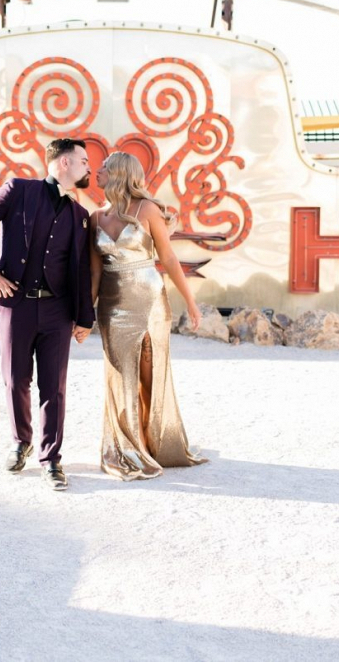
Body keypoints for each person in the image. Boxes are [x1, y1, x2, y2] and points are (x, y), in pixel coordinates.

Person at [0, 138, 94, 491]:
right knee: (15, 379)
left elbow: (81, 270)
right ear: (64, 163)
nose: (88, 167)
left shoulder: (80, 216)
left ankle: (51, 459)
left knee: (55, 387)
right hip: (15, 304)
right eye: (84, 160)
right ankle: (20, 441)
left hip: (58, 309)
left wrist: (85, 318)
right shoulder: (18, 190)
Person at [90, 151, 207, 481]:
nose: (96, 173)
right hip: (112, 305)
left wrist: (191, 303)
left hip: (150, 300)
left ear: (119, 174)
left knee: (148, 371)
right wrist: (84, 315)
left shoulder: (148, 209)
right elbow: (95, 274)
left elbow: (168, 258)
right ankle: (127, 444)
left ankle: (150, 439)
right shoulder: (96, 218)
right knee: (119, 373)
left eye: (103, 169)